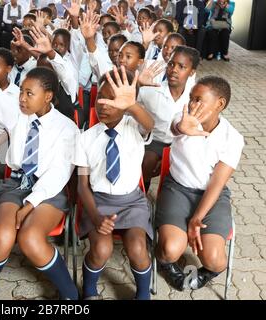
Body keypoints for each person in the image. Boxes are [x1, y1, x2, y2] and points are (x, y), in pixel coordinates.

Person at [0, 34, 80, 300]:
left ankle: (69, 295)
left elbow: (57, 174)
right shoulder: (18, 114)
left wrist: (30, 205)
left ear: (48, 97)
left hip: (48, 190)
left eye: (29, 93)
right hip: (16, 183)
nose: (21, 98)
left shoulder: (67, 128)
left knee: (30, 239)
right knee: (2, 236)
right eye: (21, 91)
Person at [155, 76, 244, 291]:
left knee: (215, 259)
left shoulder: (232, 138)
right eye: (191, 98)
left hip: (212, 196)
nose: (192, 105)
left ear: (219, 104)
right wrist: (180, 128)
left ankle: (206, 273)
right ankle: (166, 264)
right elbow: (175, 128)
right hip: (177, 189)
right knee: (169, 249)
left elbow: (217, 183)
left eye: (199, 100)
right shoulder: (183, 118)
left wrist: (197, 218)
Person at [74, 66, 154, 300]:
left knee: (138, 249)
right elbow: (82, 186)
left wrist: (131, 105)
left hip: (132, 202)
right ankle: (89, 291)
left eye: (113, 99)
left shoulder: (134, 128)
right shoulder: (86, 137)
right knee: (101, 249)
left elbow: (149, 124)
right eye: (101, 96)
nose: (104, 104)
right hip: (97, 203)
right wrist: (96, 217)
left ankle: (143, 294)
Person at [139, 45, 200, 191]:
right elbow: (129, 108)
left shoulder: (194, 97)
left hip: (181, 143)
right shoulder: (152, 89)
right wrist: (137, 85)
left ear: (191, 72)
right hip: (156, 141)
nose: (174, 70)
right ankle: (142, 193)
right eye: (171, 64)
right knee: (148, 161)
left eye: (181, 66)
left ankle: (173, 195)